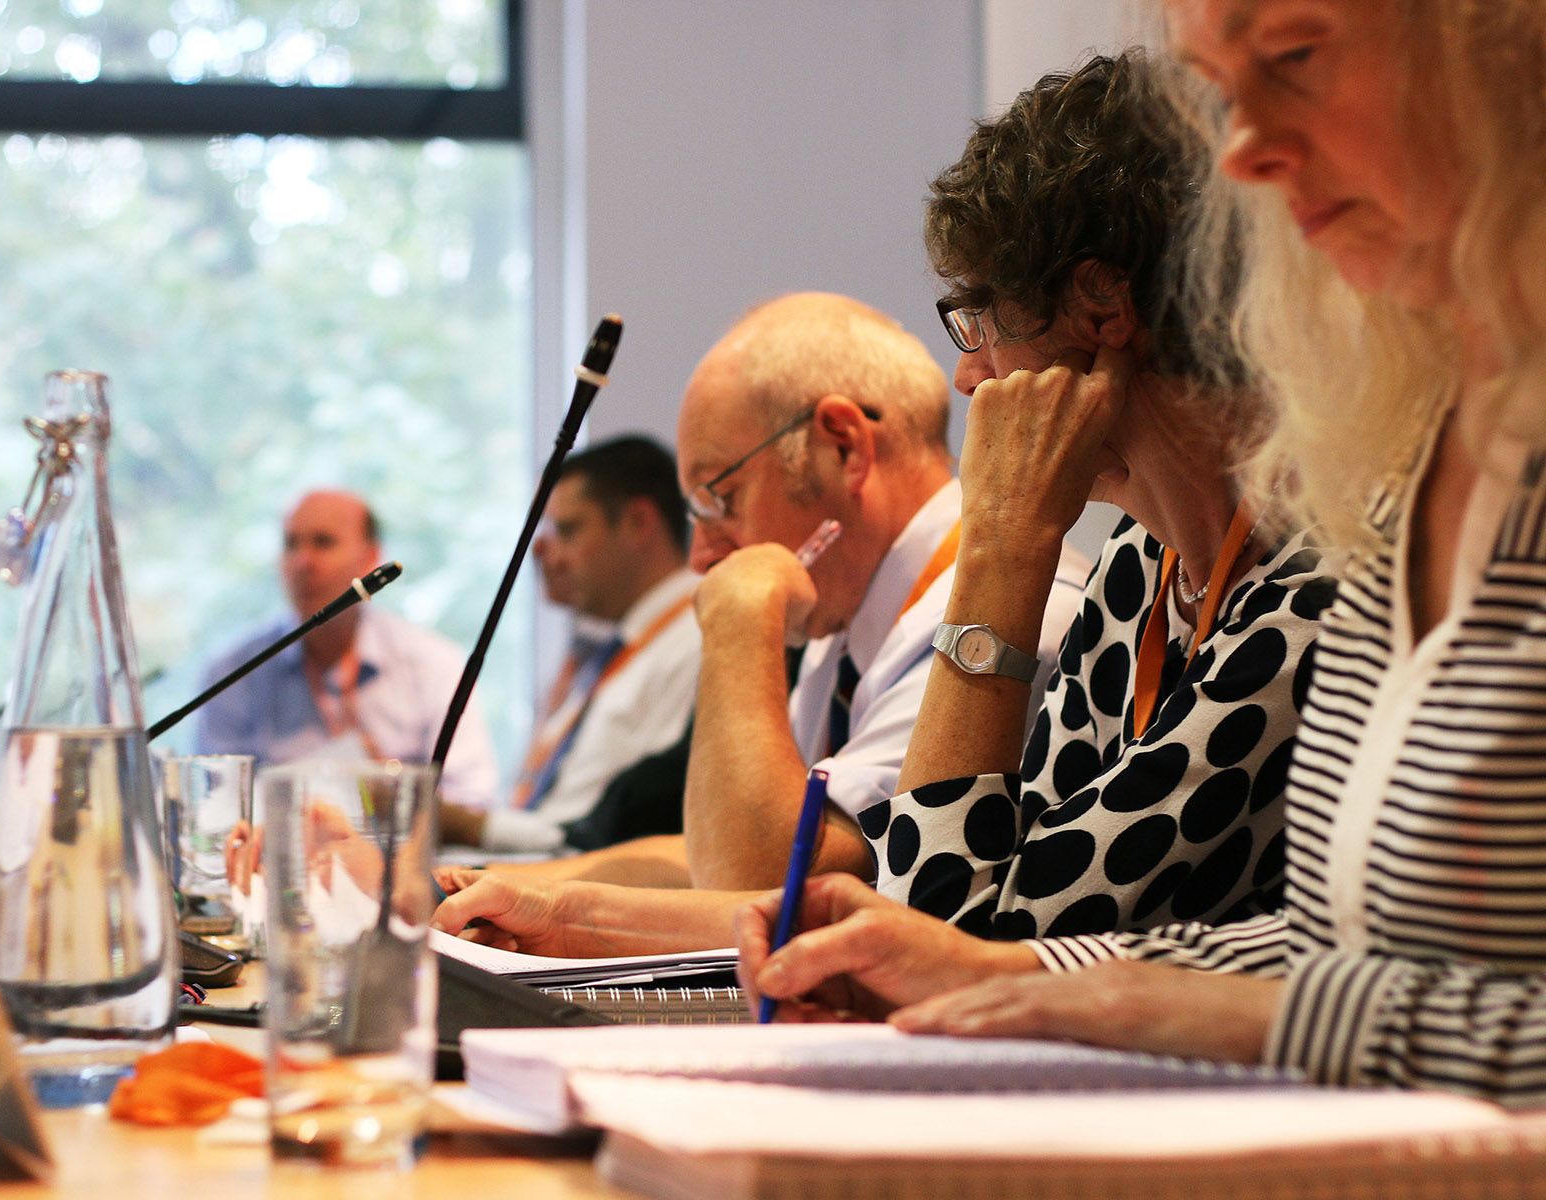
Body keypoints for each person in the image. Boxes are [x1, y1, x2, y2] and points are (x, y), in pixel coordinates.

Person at [740, 0, 1546, 1108]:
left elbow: (981, 919)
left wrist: (1003, 549)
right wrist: (1028, 980)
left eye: (1296, 56)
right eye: (1223, 91)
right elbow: (1327, 949)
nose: (1242, 154)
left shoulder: (1314, 557)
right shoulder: (1197, 551)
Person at [435, 53, 1334, 955]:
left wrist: (1003, 539)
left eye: (979, 322)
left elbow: (960, 937)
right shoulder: (1139, 572)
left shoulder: (1307, 591)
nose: (969, 377)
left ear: (1101, 312)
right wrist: (561, 916)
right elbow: (896, 901)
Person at [453, 292, 1091, 895]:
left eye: (719, 500)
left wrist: (740, 618)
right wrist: (494, 886)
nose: (702, 558)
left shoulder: (995, 611)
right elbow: (709, 853)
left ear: (843, 448)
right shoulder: (847, 617)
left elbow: (764, 885)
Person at [438, 436, 701, 853]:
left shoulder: (697, 638)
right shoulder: (617, 643)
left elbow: (635, 824)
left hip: (583, 873)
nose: (550, 555)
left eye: (567, 530)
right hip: (545, 865)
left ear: (638, 523)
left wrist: (473, 826)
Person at [195, 489, 497, 810]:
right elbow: (219, 807)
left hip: (401, 841)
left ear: (370, 558)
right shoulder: (233, 674)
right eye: (291, 544)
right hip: (280, 843)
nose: (302, 562)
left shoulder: (433, 664)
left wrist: (394, 795)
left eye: (323, 542)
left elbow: (472, 800)